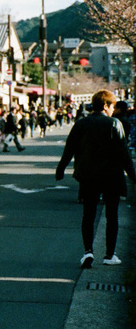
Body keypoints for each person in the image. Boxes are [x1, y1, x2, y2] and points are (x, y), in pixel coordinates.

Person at [56, 90, 136, 268]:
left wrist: (61, 169)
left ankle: (88, 252)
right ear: (106, 105)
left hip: (88, 175)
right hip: (111, 176)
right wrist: (133, 175)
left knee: (88, 214)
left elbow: (69, 148)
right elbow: (124, 154)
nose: (113, 110)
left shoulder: (81, 123)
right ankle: (109, 255)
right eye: (112, 106)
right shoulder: (114, 123)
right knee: (112, 215)